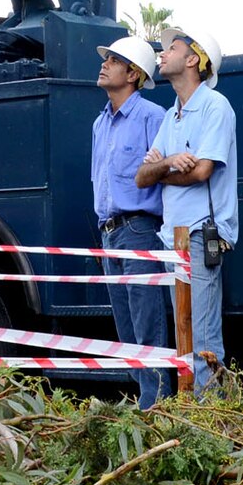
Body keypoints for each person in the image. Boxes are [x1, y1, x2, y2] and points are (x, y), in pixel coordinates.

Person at [136, 23, 237, 393]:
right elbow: (142, 177)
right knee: (185, 334)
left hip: (198, 232)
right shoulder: (171, 114)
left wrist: (161, 168)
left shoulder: (215, 107)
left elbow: (202, 171)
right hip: (173, 236)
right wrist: (168, 164)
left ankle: (211, 423)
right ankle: (197, 422)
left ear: (194, 59)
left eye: (172, 48)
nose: (162, 54)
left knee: (203, 336)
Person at [91, 34, 171, 407]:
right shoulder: (99, 124)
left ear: (134, 73)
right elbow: (99, 181)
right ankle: (148, 402)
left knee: (146, 325)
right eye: (105, 59)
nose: (104, 64)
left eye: (113, 60)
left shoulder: (152, 117)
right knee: (126, 330)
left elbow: (166, 177)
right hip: (109, 233)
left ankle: (156, 410)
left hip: (140, 229)